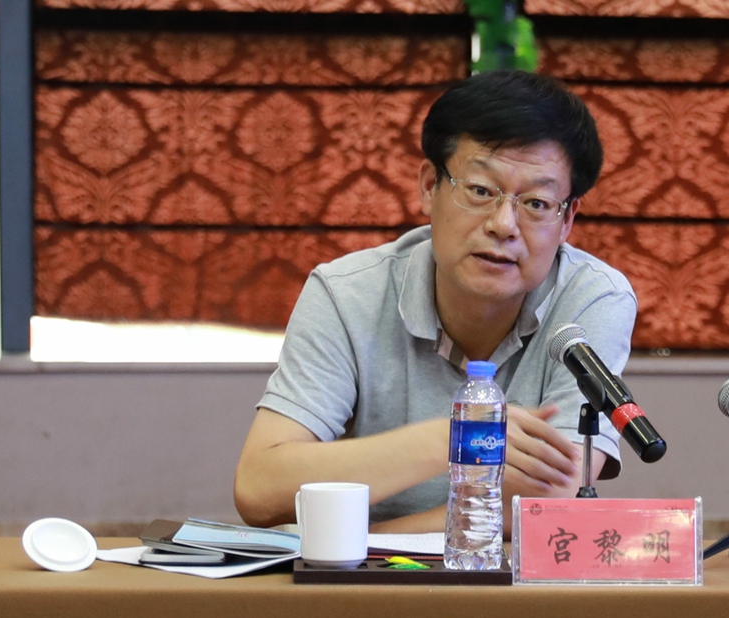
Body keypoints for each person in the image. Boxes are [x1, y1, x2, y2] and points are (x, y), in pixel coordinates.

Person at [233, 69, 638, 534]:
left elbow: (550, 495)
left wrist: (363, 545)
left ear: (567, 221)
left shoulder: (593, 298)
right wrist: (454, 438)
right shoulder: (346, 293)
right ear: (430, 186)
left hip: (491, 579)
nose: (504, 225)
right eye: (480, 191)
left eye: (537, 204)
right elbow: (260, 488)